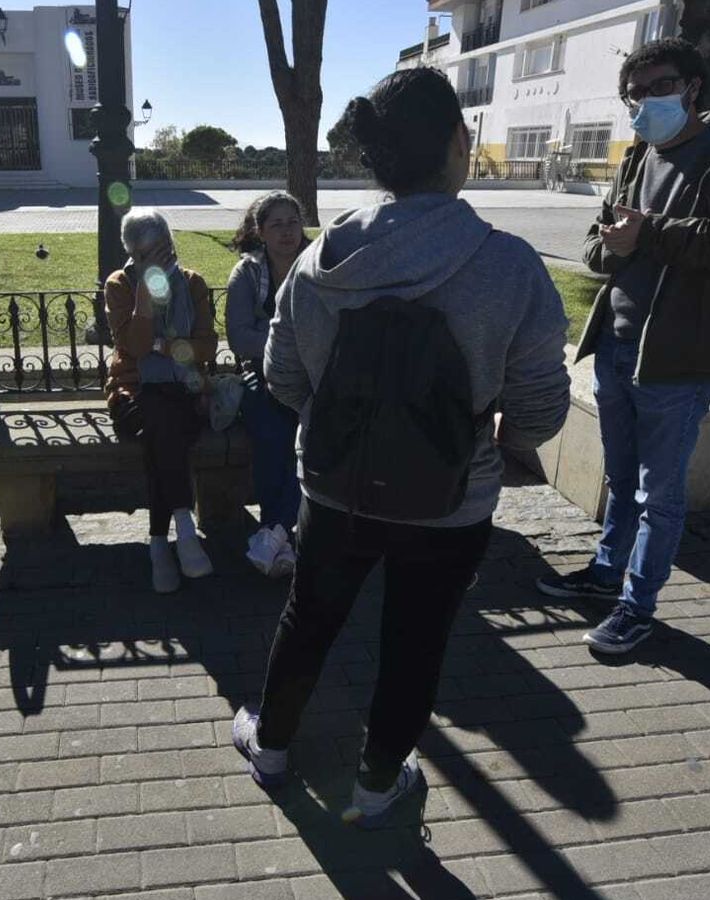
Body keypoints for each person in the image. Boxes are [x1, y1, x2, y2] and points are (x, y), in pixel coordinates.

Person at [231, 67, 571, 827]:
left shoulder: (318, 266)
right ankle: (378, 784)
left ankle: (273, 747)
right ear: (460, 141)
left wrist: (345, 416)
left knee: (308, 618)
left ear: (376, 157)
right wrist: (503, 438)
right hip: (451, 501)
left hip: (333, 490)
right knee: (415, 643)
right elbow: (541, 409)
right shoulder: (509, 266)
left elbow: (281, 376)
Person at [535, 38, 710, 654]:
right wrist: (616, 243)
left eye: (658, 87)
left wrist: (649, 233)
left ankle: (637, 605)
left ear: (693, 87)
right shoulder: (637, 156)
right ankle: (603, 573)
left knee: (659, 493)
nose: (644, 102)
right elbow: (598, 247)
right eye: (634, 93)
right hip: (618, 343)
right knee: (621, 480)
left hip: (682, 352)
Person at [105, 209, 219, 594]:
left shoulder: (193, 283)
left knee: (162, 428)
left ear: (172, 245)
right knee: (159, 417)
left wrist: (161, 344)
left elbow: (205, 347)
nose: (155, 262)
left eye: (162, 250)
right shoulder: (120, 285)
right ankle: (184, 530)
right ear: (132, 255)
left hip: (182, 392)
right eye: (143, 256)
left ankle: (159, 545)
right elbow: (132, 349)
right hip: (133, 393)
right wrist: (144, 301)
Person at [226, 191, 308, 579]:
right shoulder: (247, 273)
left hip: (309, 376)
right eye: (276, 224)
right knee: (272, 433)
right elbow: (241, 338)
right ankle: (284, 535)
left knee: (307, 433)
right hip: (259, 373)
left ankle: (272, 534)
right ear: (260, 231)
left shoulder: (318, 266)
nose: (287, 231)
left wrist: (272, 333)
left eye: (293, 222)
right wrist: (288, 341)